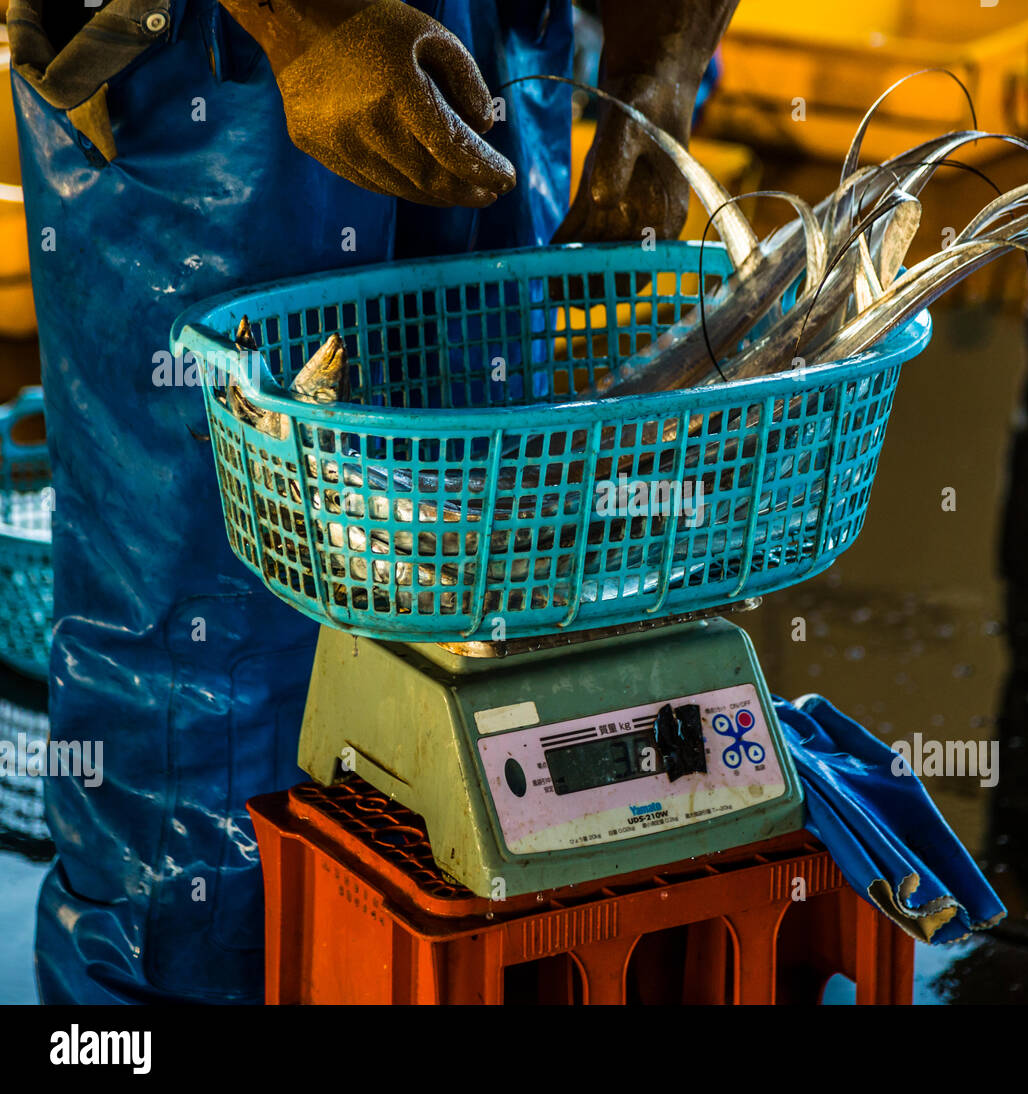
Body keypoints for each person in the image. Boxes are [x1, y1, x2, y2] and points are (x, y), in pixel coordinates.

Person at [6, 0, 736, 1004]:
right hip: (205, 72)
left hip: (490, 52)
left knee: (474, 585)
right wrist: (307, 21)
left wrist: (663, 62)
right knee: (210, 669)